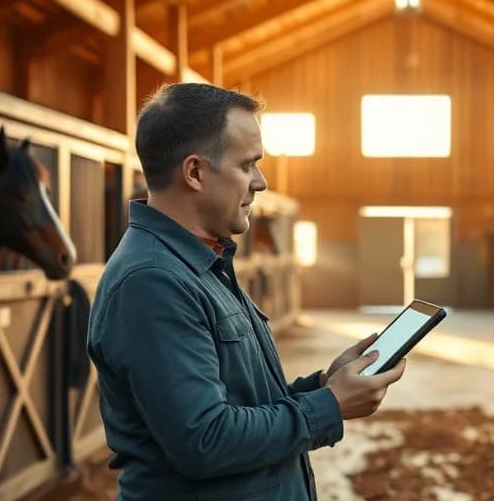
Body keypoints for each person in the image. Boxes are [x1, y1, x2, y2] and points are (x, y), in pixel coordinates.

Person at [87, 83, 407, 500]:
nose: (261, 181)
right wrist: (330, 407)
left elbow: (242, 405)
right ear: (195, 172)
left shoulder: (201, 264)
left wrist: (326, 385)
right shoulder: (152, 281)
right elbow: (205, 440)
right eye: (247, 164)